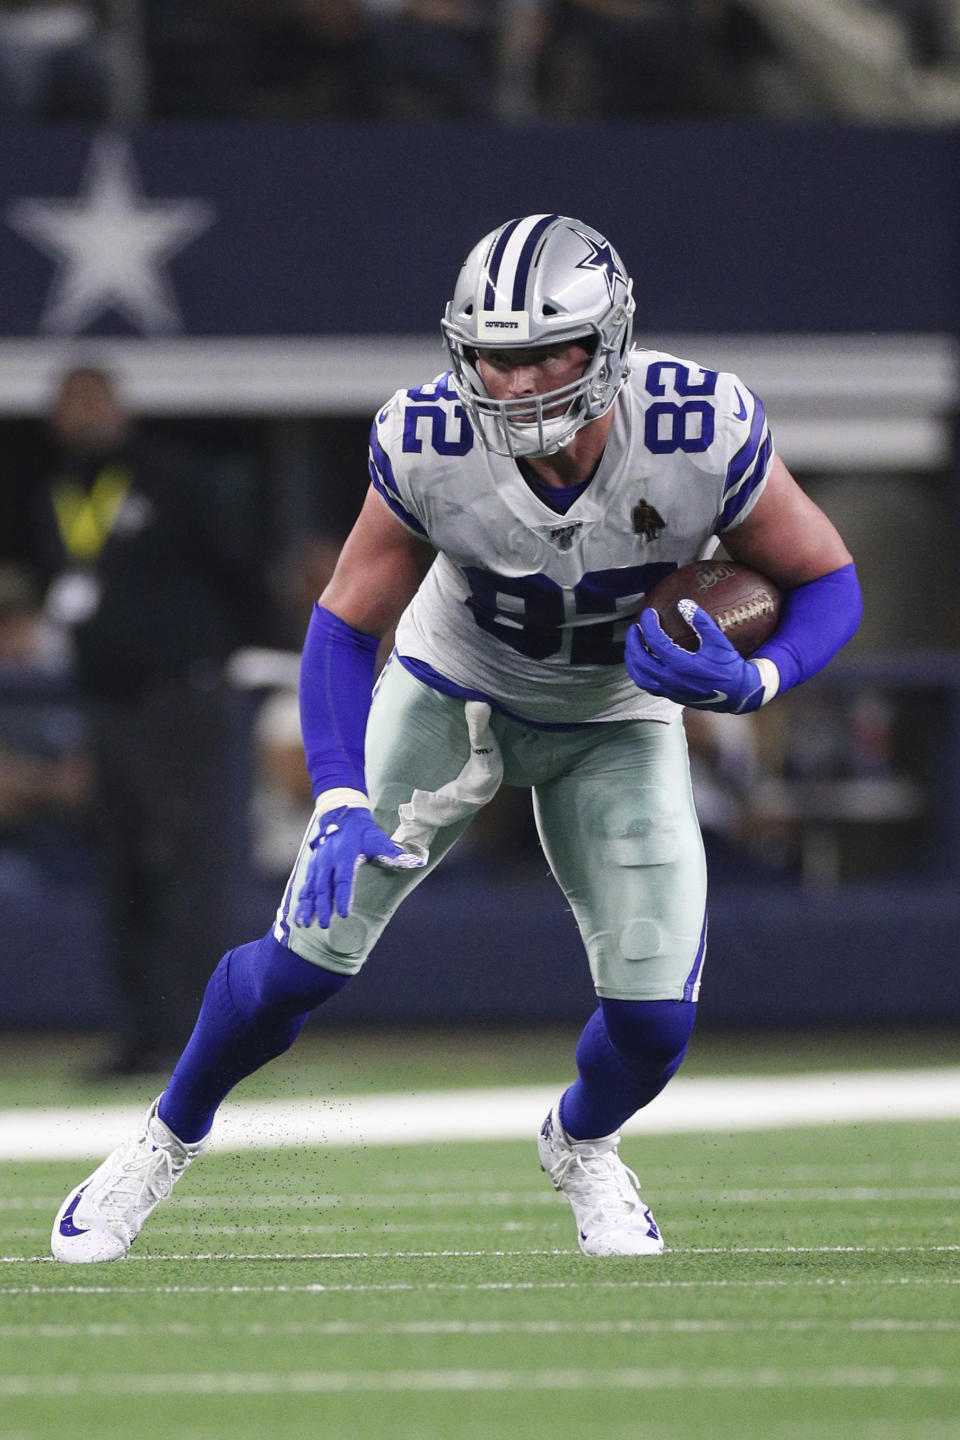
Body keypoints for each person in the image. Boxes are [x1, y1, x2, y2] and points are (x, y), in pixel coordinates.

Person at [50, 215, 862, 1263]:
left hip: (613, 718)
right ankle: (161, 1141)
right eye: (490, 355)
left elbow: (827, 576)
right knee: (303, 968)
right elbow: (343, 623)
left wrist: (759, 676)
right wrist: (340, 794)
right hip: (452, 693)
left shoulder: (698, 425)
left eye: (538, 356)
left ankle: (584, 1142)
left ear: (606, 343)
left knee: (657, 1025)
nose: (511, 383)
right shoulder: (430, 440)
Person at [32, 364, 267, 1075]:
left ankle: (204, 1040)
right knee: (124, 871)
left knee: (189, 868)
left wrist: (237, 653)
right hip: (107, 704)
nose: (84, 415)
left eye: (94, 400)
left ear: (120, 407)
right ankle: (138, 1035)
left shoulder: (174, 477)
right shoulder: (51, 492)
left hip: (182, 697)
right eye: (71, 404)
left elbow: (237, 568)